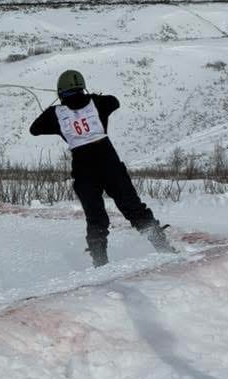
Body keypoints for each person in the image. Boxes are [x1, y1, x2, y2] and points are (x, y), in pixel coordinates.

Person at [29, 70, 173, 266]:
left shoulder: (55, 114)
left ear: (60, 91)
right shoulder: (98, 103)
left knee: (95, 217)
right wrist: (92, 96)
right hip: (109, 162)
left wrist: (54, 110)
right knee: (133, 208)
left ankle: (100, 262)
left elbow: (34, 129)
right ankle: (163, 248)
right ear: (82, 86)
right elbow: (115, 102)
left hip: (83, 169)